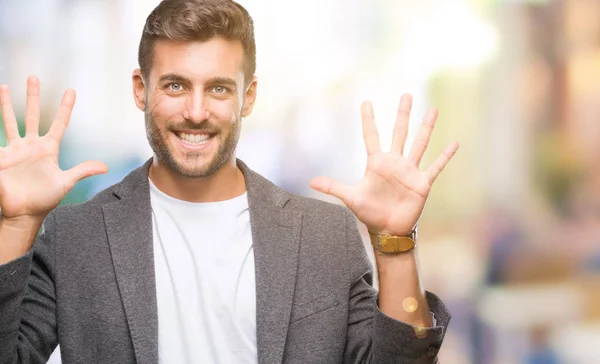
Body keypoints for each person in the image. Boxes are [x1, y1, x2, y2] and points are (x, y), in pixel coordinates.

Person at [0, 0, 459, 363]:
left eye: (218, 88)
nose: (196, 112)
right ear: (141, 89)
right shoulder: (76, 239)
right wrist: (16, 226)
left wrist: (394, 243)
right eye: (176, 85)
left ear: (248, 96)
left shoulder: (324, 238)